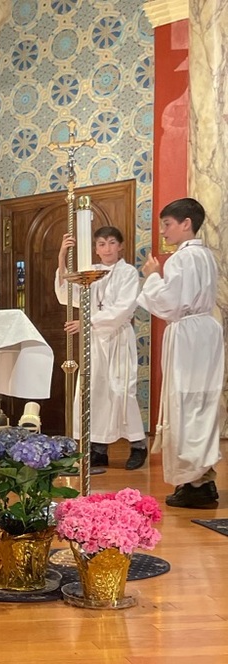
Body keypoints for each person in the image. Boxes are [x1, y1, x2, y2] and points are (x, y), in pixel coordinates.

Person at [137, 198, 224, 509]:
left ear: (187, 223)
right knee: (201, 401)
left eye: (168, 224)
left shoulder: (180, 259)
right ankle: (203, 478)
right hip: (206, 332)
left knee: (185, 402)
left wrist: (152, 276)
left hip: (188, 334)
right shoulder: (206, 257)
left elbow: (171, 304)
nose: (163, 232)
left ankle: (194, 484)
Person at [55, 226, 146, 471]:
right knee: (93, 391)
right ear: (95, 249)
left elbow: (123, 308)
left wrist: (87, 322)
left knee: (121, 390)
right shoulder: (90, 273)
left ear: (121, 246)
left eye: (112, 243)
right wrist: (62, 256)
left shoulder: (127, 272)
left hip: (117, 337)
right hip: (94, 340)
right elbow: (66, 295)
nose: (107, 249)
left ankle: (138, 445)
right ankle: (98, 449)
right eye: (102, 244)